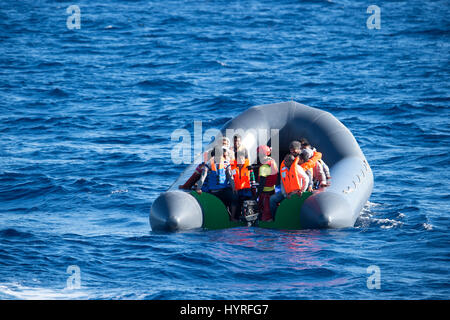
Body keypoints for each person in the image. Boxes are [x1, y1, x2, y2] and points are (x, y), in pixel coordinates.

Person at [269, 141, 309, 219]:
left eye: (287, 161)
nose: (285, 162)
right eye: (285, 161)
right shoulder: (284, 169)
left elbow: (306, 178)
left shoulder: (297, 166)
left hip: (297, 193)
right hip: (287, 193)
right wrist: (285, 194)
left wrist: (302, 190)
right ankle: (275, 219)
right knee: (273, 199)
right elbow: (283, 182)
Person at [195, 147, 235, 214]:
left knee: (234, 199)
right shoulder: (208, 164)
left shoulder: (226, 163)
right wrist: (198, 188)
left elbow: (230, 176)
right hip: (213, 192)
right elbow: (203, 176)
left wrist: (233, 187)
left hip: (223, 190)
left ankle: (232, 217)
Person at [229, 149, 257, 220]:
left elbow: (252, 180)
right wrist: (233, 187)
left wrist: (253, 190)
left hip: (246, 190)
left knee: (250, 201)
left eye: (242, 158)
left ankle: (250, 217)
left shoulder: (249, 168)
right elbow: (230, 179)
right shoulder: (232, 168)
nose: (241, 160)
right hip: (236, 190)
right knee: (234, 200)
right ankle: (233, 217)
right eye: (239, 158)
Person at [255, 145, 278, 221]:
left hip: (265, 194)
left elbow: (262, 183)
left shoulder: (264, 167)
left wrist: (256, 195)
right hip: (272, 191)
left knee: (265, 216)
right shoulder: (272, 161)